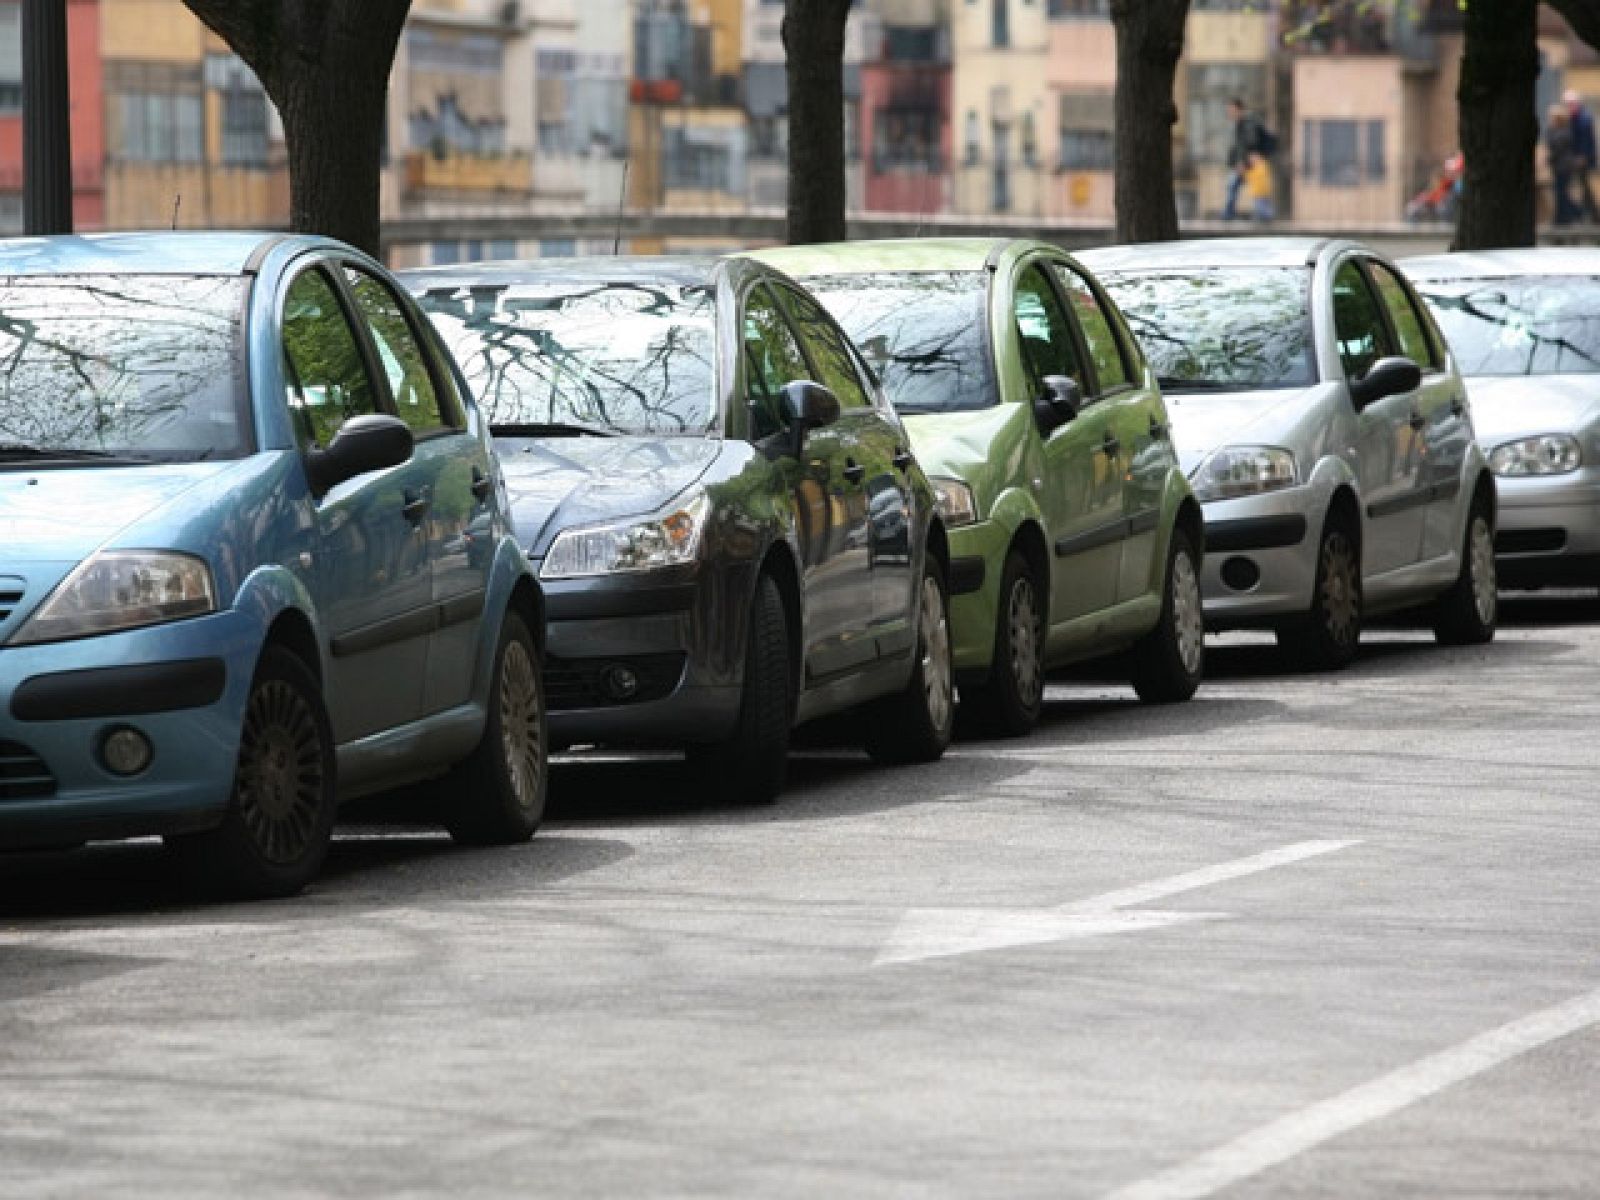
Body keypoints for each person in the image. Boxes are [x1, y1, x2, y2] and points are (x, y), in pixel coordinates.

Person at [1224, 98, 1271, 221]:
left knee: (1258, 188)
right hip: (1246, 162)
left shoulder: (1248, 123)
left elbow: (1249, 143)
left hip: (1251, 163)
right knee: (1235, 186)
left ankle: (1264, 214)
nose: (1229, 113)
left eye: (1231, 110)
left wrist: (1243, 163)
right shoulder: (1240, 124)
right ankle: (1229, 213)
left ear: (1239, 109)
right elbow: (1237, 146)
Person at [1565, 89, 1598, 222]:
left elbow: (1585, 139)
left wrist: (1582, 156)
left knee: (1585, 188)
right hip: (1577, 158)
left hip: (1583, 159)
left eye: (1570, 104)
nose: (1568, 107)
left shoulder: (1583, 118)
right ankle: (1589, 215)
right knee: (1583, 188)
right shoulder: (1575, 117)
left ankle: (1592, 216)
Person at [1547, 103, 1580, 225]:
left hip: (1564, 167)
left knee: (1561, 192)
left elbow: (1556, 148)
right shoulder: (1555, 130)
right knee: (1560, 192)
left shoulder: (1564, 132)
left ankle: (1569, 215)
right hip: (1559, 166)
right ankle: (1562, 217)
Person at [1245, 152, 1275, 222]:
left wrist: (1246, 172)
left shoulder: (1261, 166)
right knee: (1261, 206)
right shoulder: (1257, 168)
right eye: (1251, 160)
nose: (1251, 161)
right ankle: (1262, 217)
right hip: (1259, 192)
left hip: (1261, 191)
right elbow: (1250, 178)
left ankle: (1267, 217)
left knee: (1262, 207)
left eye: (1253, 159)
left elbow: (1256, 177)